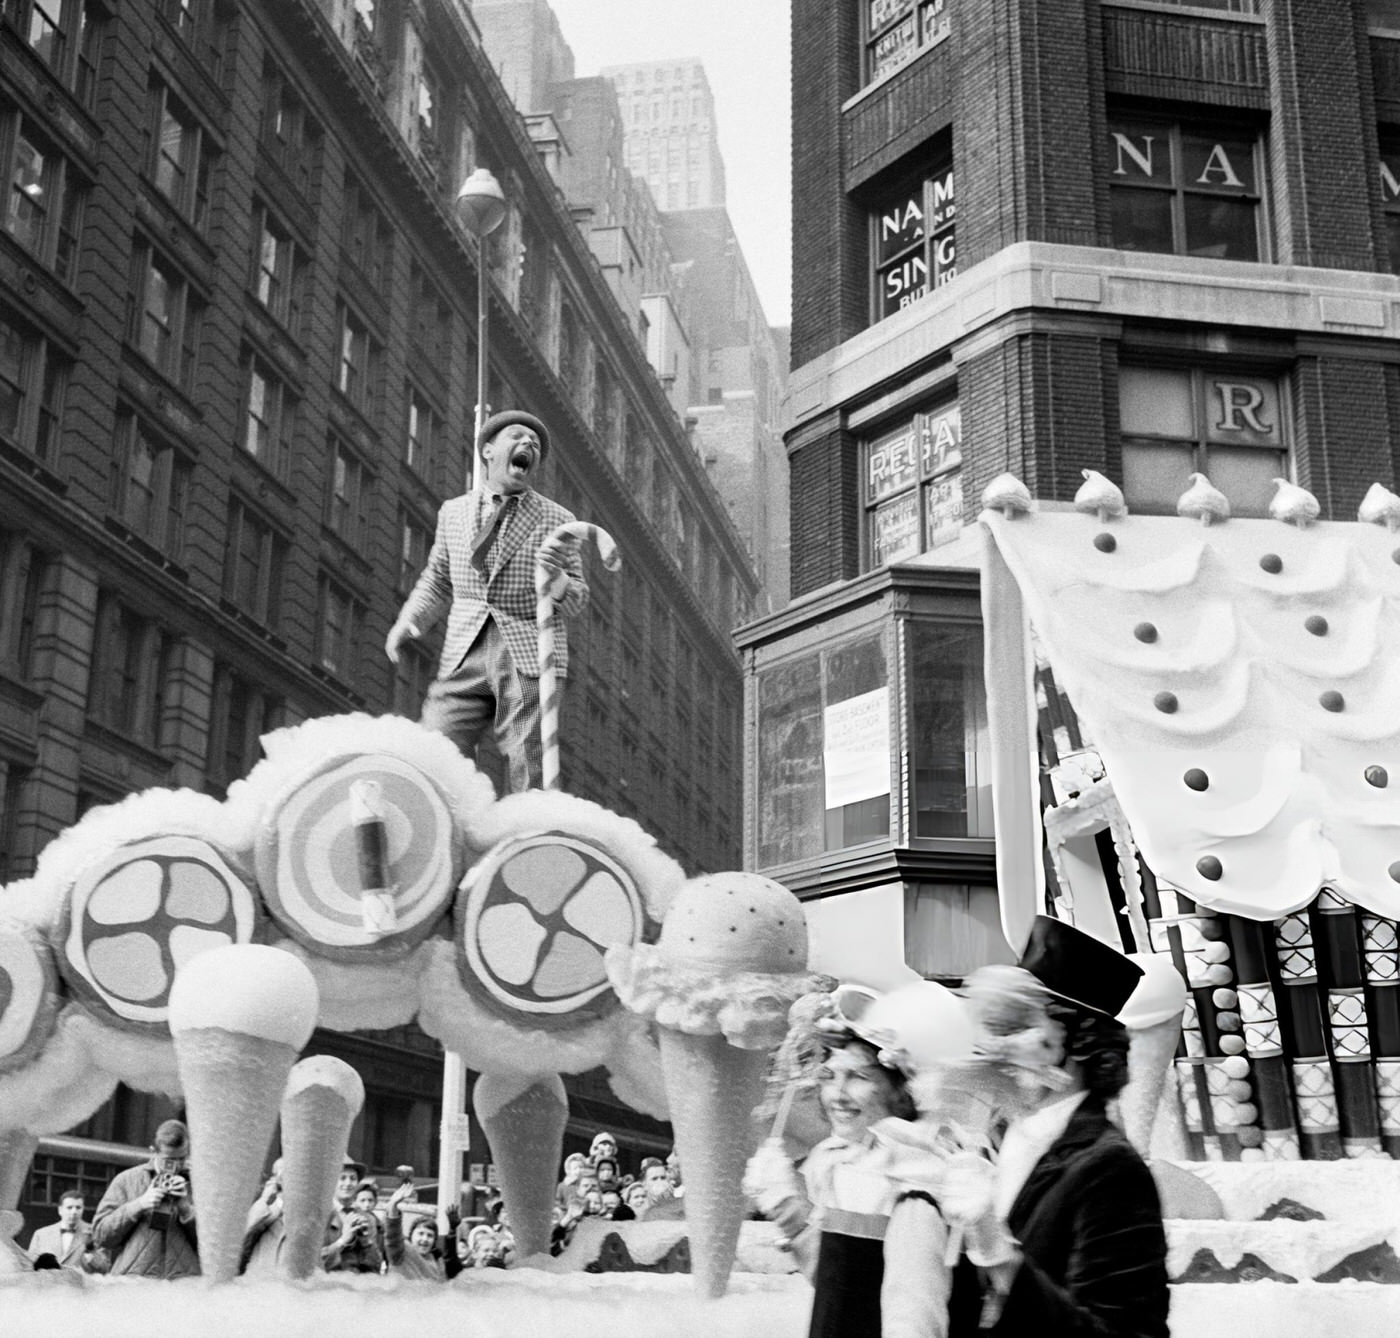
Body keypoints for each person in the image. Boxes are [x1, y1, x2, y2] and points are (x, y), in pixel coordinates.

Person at [945, 916, 1170, 1338]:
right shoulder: (989, 1142)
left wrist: (1001, 1256)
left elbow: (1124, 1334)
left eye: (1016, 1027)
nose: (996, 1047)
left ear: (1077, 1041)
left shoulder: (1109, 1168)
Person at [386, 410, 588, 793]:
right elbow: (437, 579)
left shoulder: (558, 520)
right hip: (464, 652)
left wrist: (557, 579)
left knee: (528, 762)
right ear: (488, 450)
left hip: (528, 654)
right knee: (437, 749)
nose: (528, 445)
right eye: (517, 436)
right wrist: (408, 623)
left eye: (535, 444)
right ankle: (451, 823)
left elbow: (578, 599)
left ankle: (531, 827)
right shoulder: (454, 512)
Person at [91, 1118, 200, 1279]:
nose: (176, 1166)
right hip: (135, 1284)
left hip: (183, 1285)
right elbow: (101, 1237)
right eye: (169, 1160)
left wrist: (186, 1209)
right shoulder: (126, 1180)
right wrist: (139, 1205)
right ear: (153, 1151)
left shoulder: (200, 1184)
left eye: (182, 1159)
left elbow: (214, 1246)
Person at [27, 1190, 91, 1271]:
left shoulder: (93, 1233)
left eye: (78, 1208)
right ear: (60, 1210)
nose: (74, 1212)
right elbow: (30, 1267)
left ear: (83, 1209)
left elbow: (102, 1268)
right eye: (69, 1207)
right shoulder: (41, 1234)